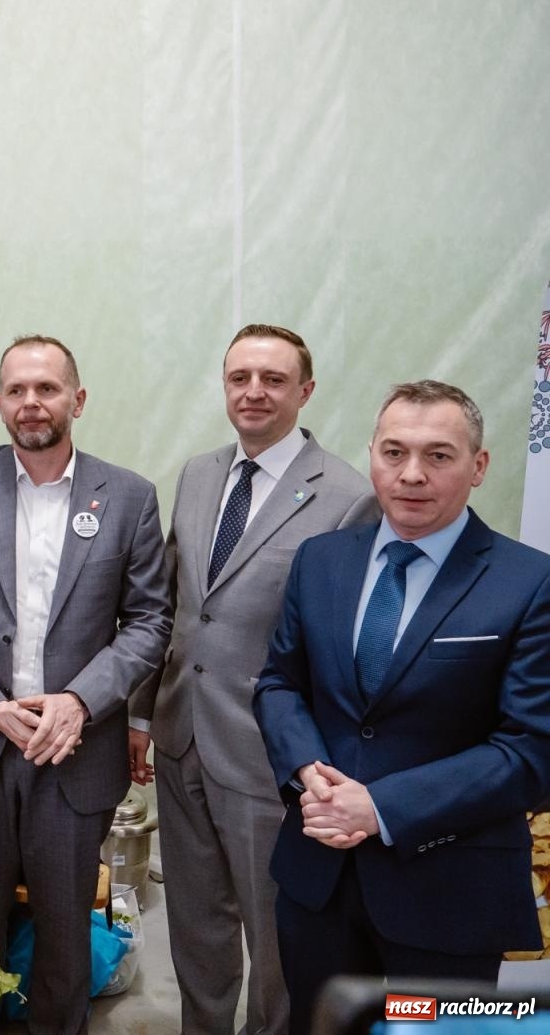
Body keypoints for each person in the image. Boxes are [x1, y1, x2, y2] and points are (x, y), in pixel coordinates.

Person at [253, 380, 550, 1032]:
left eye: (439, 455)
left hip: (449, 892)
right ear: (372, 457)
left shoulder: (529, 582)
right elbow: (278, 683)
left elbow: (531, 751)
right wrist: (307, 769)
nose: (412, 474)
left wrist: (383, 807)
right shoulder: (320, 561)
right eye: (394, 452)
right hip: (319, 879)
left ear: (478, 466)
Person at [0, 335, 171, 1035]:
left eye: (48, 388)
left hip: (75, 751)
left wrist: (82, 700)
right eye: (17, 389)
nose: (32, 402)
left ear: (77, 400)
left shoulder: (129, 497)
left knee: (63, 934)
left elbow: (150, 621)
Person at [124, 325, 377, 1035]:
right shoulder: (200, 474)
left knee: (276, 942)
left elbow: (342, 651)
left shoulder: (347, 498)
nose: (254, 392)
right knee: (196, 930)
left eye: (272, 378)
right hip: (180, 743)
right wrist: (142, 717)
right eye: (240, 377)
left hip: (270, 759)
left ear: (306, 390)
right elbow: (173, 606)